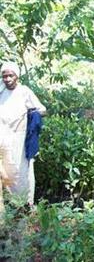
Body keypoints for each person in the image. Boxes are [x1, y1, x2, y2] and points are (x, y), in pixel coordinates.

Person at [0, 61, 46, 206]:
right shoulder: (1, 91)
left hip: (19, 138)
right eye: (4, 76)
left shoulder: (24, 91)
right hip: (3, 137)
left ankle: (25, 205)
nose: (7, 79)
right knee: (6, 172)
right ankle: (9, 204)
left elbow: (42, 109)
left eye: (10, 75)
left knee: (21, 171)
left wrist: (33, 115)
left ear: (17, 76)